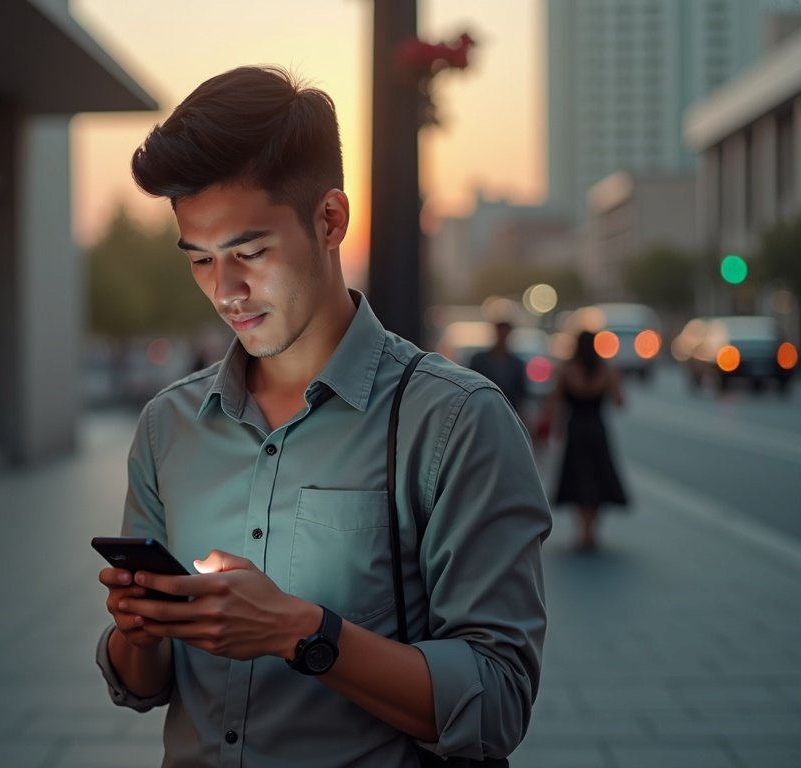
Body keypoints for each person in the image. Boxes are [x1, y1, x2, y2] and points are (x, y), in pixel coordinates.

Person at [94, 66, 551, 766]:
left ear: (330, 220)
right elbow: (141, 688)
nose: (227, 292)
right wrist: (139, 628)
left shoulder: (456, 423)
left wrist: (302, 632)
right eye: (201, 261)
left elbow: (496, 702)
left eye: (250, 253)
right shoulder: (168, 425)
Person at [539, 329, 627, 551]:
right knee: (598, 477)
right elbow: (619, 401)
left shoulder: (567, 370)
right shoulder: (605, 370)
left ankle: (583, 530)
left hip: (576, 430)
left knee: (578, 478)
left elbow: (554, 402)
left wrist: (552, 428)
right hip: (597, 429)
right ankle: (592, 530)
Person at [468, 320, 528, 416]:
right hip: (484, 409)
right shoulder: (479, 360)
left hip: (509, 410)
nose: (502, 337)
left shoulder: (516, 364)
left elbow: (522, 394)